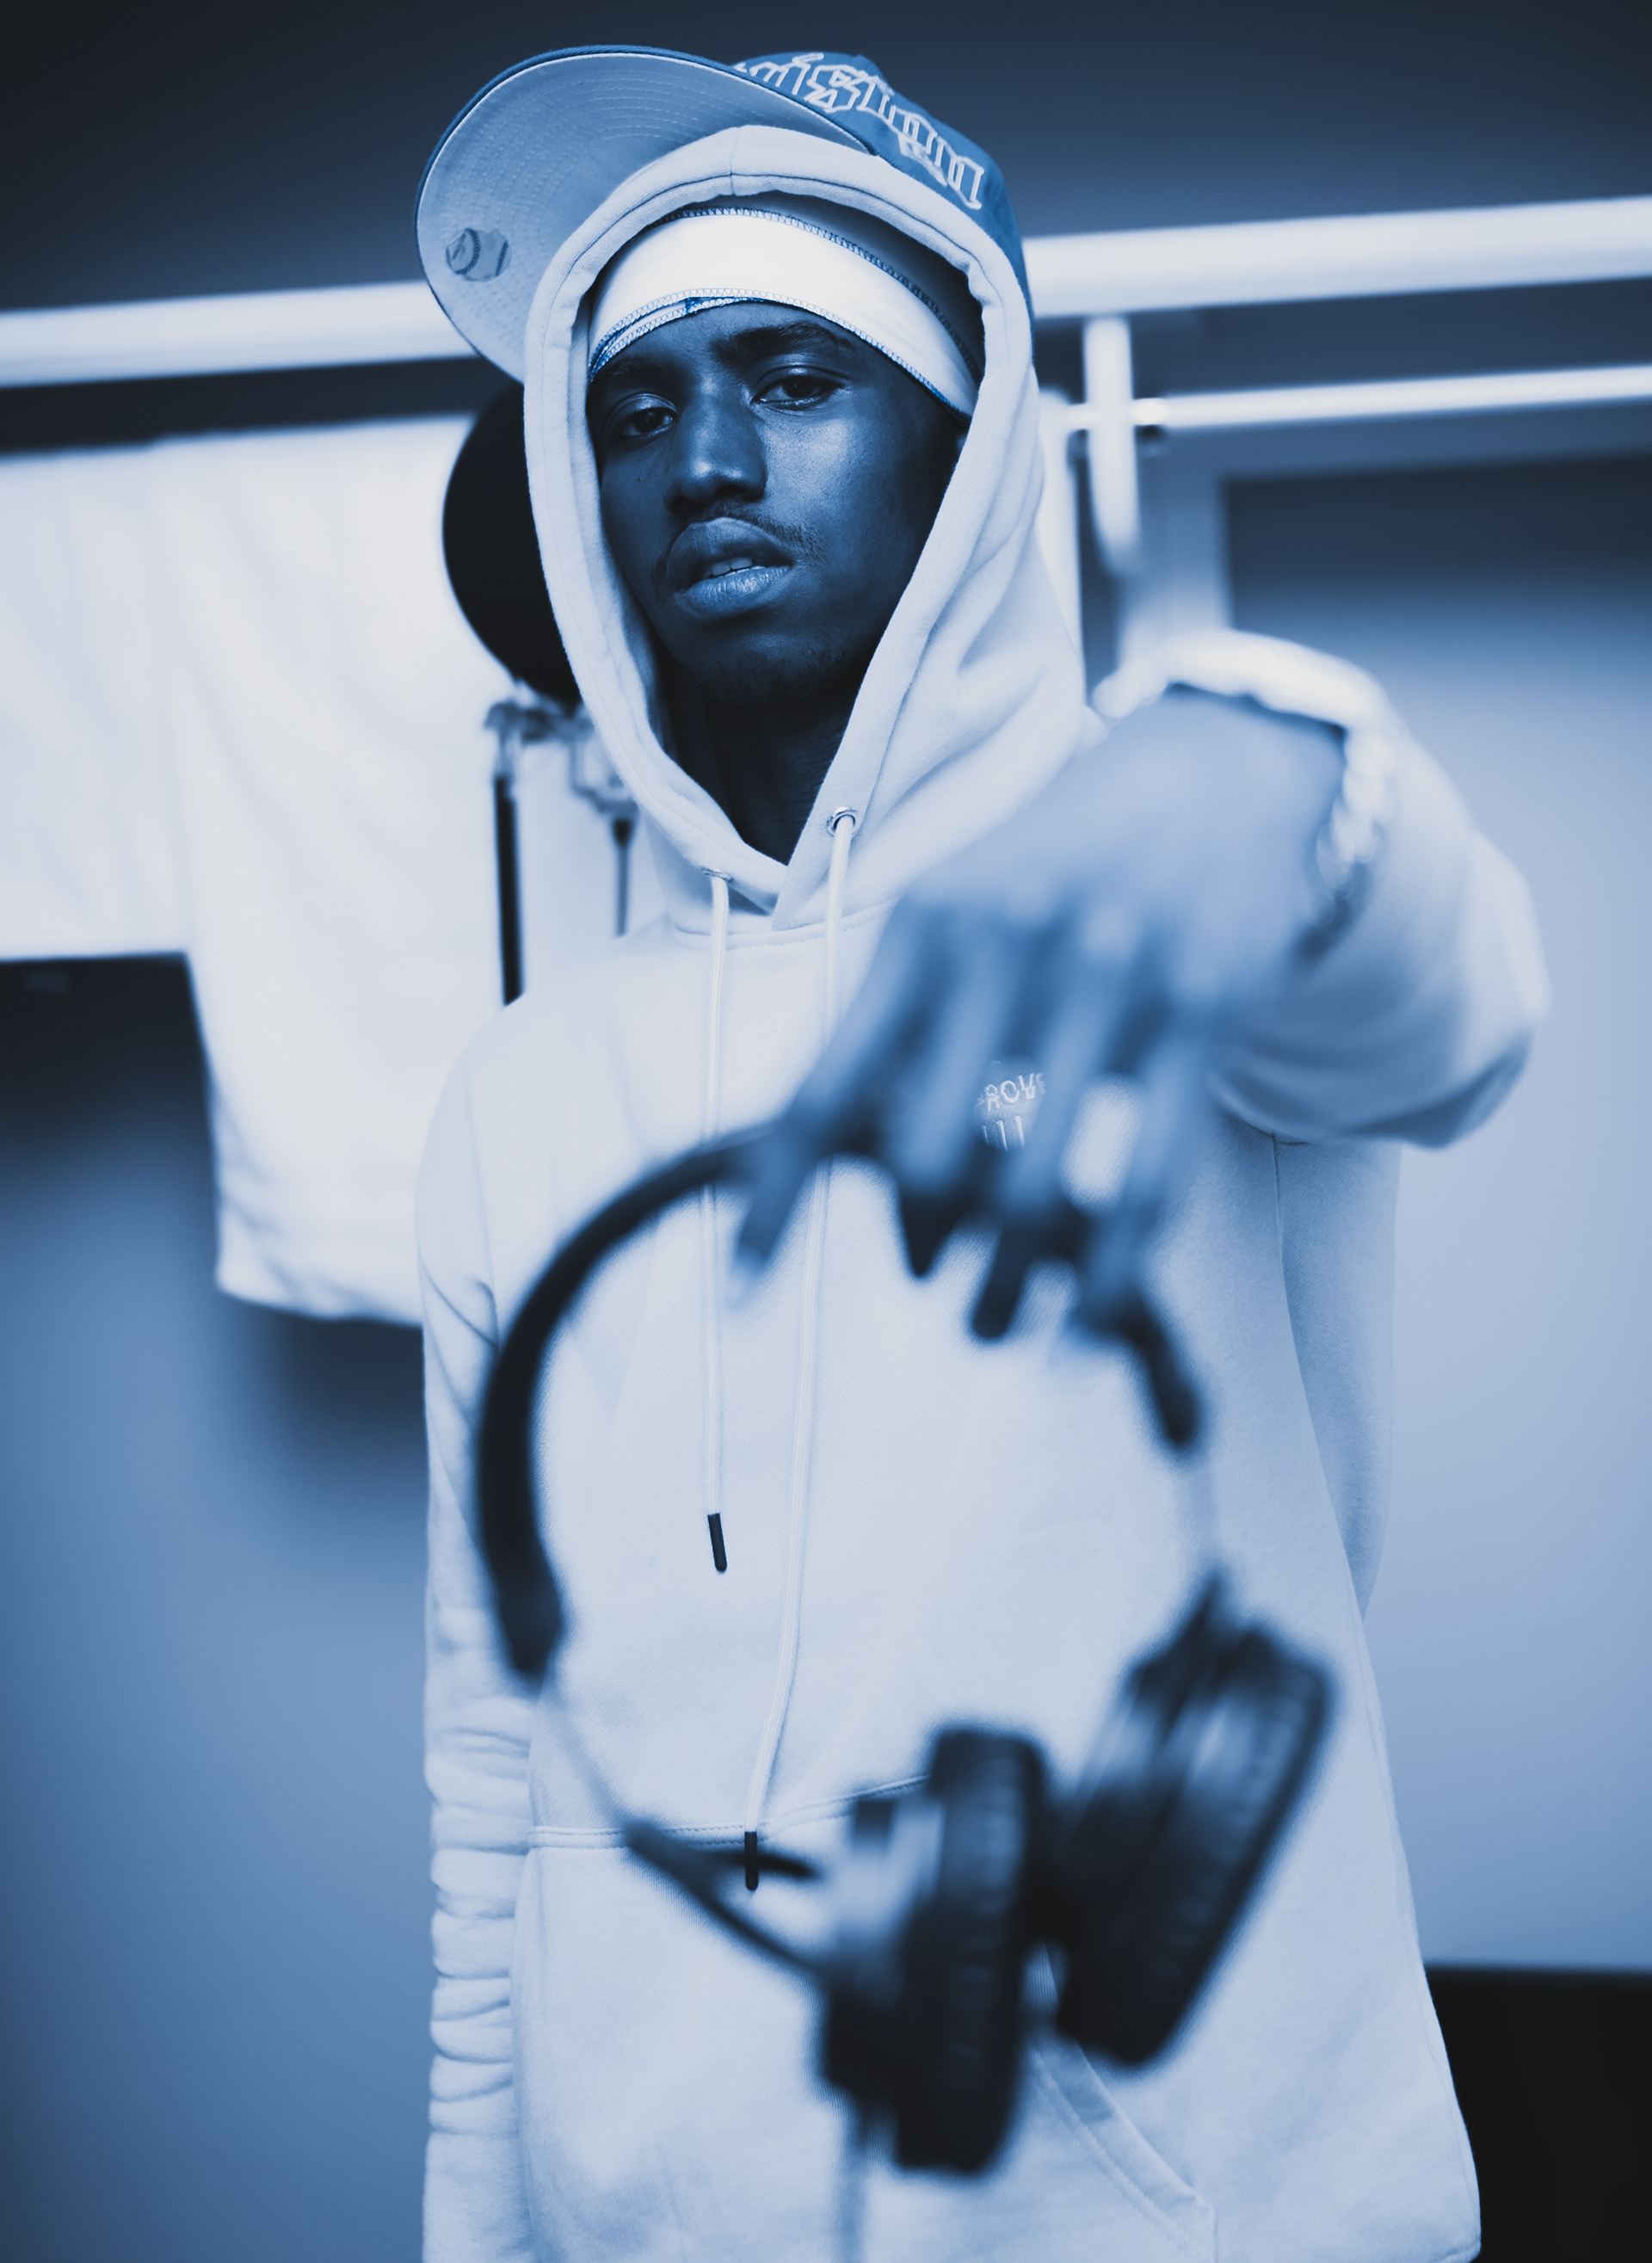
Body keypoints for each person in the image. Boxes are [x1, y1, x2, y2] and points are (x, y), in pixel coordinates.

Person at [415, 46, 1546, 2263]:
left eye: (795, 379)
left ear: (965, 458)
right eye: (633, 408)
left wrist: (1269, 765)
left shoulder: (1164, 901)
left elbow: (1452, 1007)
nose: (703, 462)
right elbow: (493, 1772)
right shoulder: (521, 1087)